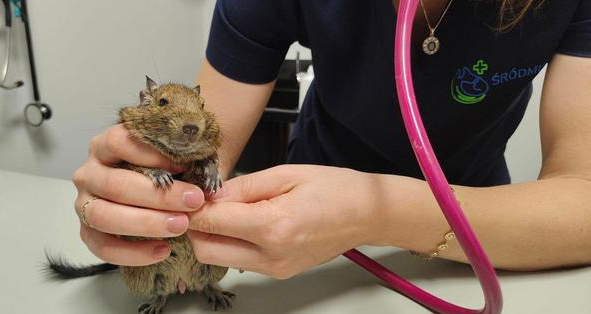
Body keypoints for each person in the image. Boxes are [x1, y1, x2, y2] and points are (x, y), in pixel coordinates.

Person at [71, 0, 591, 279]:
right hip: (302, 238)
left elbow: (582, 196)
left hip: (484, 230)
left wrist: (376, 212)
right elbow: (203, 151)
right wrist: (140, 194)